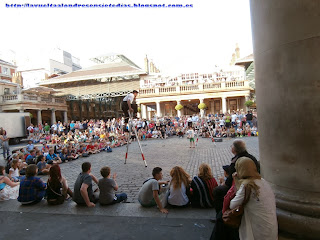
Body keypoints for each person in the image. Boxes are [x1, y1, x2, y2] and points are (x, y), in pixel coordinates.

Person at [230, 157, 278, 240]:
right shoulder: (263, 181)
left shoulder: (247, 185)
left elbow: (232, 205)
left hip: (258, 232)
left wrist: (236, 181)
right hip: (271, 230)